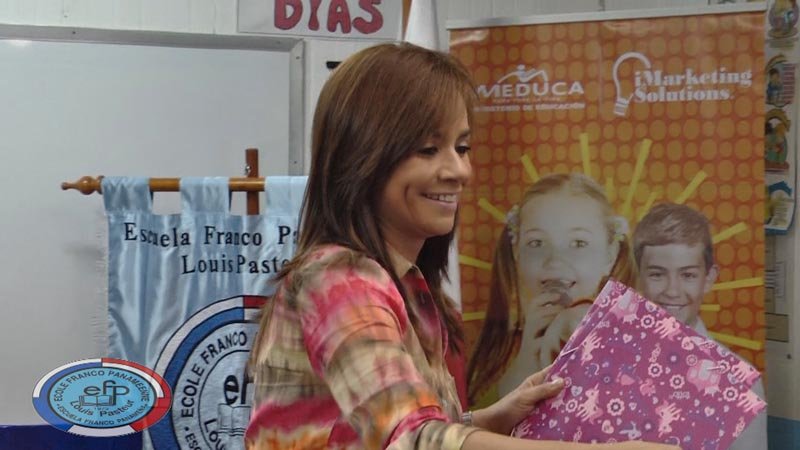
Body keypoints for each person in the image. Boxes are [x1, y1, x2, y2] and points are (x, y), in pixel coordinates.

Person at [245, 43, 678, 450]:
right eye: (428, 149)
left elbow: (393, 427)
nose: (459, 171)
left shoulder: (406, 284)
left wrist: (493, 417)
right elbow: (415, 439)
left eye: (462, 147)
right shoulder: (342, 281)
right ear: (363, 157)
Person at [467, 173, 635, 405]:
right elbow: (476, 424)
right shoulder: (498, 353)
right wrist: (526, 361)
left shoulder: (634, 341)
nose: (555, 261)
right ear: (517, 253)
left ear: (610, 255)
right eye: (537, 243)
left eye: (578, 243)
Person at [633, 202, 767, 450]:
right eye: (657, 274)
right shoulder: (605, 363)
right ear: (638, 277)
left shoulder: (739, 384)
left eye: (688, 275)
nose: (672, 291)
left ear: (708, 279)